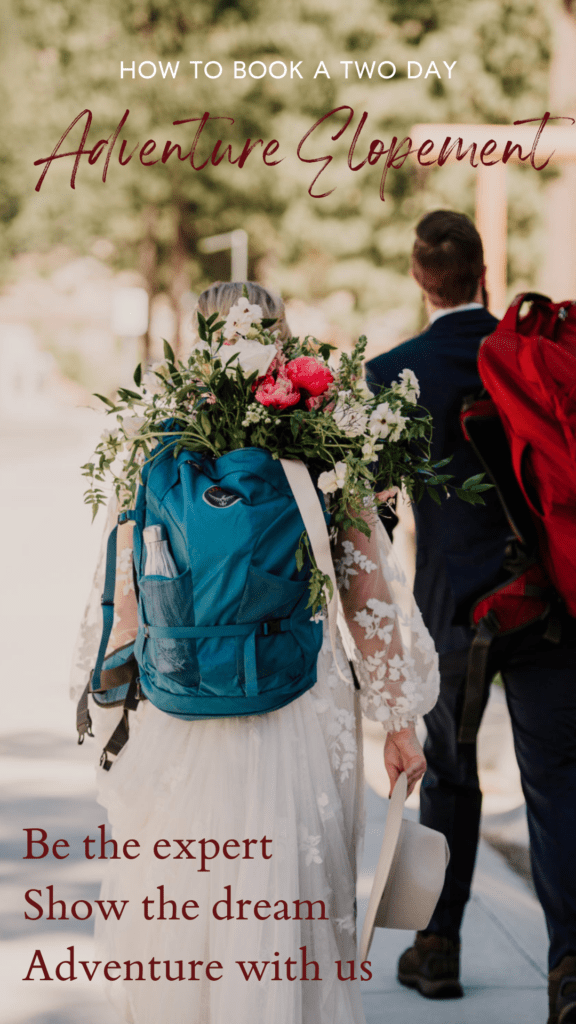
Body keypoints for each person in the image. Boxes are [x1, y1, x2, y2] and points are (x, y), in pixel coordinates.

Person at [71, 281, 439, 1024]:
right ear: (284, 341)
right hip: (301, 700)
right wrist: (398, 720)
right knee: (289, 896)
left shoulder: (156, 439)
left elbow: (123, 585)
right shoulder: (325, 436)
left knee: (189, 904)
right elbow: (366, 595)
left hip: (182, 706)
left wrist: (108, 695)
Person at [366, 210, 576, 1024]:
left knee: (447, 779)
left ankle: (438, 947)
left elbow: (372, 511)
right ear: (484, 273)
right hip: (551, 601)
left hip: (453, 609)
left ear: (421, 280)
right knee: (557, 782)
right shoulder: (537, 356)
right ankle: (567, 970)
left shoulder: (398, 373)